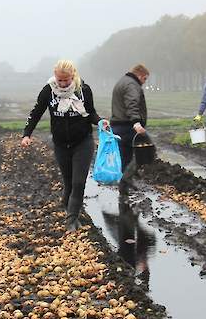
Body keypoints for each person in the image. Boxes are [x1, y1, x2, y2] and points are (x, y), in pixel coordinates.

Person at [21, 59, 109, 231]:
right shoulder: (48, 91)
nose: (62, 84)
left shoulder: (83, 90)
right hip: (61, 143)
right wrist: (26, 134)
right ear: (55, 77)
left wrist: (101, 122)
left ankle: (71, 221)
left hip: (83, 142)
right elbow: (36, 113)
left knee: (78, 182)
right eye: (59, 80)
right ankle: (67, 207)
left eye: (66, 80)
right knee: (68, 182)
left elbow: (90, 113)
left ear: (73, 76)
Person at [110, 64, 149, 195]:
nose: (144, 82)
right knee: (141, 154)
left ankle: (126, 184)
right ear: (139, 75)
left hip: (118, 124)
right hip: (127, 125)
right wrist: (136, 122)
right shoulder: (132, 85)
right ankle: (125, 181)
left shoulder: (122, 81)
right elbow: (132, 103)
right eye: (144, 79)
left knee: (125, 156)